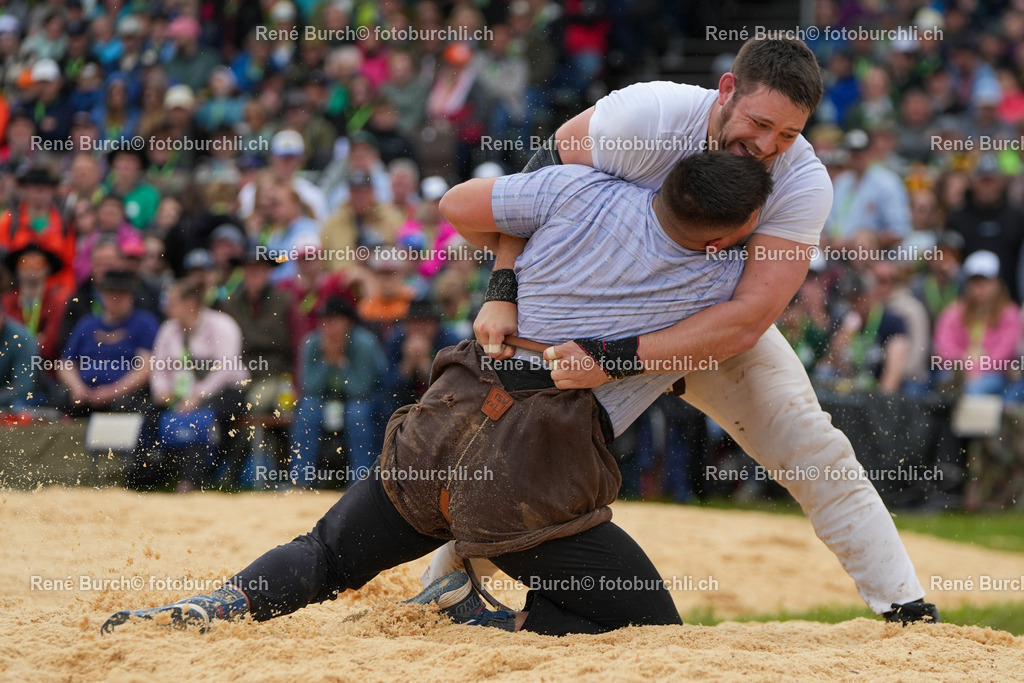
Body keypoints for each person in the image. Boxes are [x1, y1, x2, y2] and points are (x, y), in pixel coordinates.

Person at [101, 151, 772, 636]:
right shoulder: (716, 286)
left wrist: (504, 284)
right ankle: (507, 627)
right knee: (652, 625)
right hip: (525, 479)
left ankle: (222, 604)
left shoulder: (581, 190)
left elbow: (459, 205)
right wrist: (613, 356)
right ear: (722, 237)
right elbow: (734, 334)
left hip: (443, 423)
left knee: (327, 553)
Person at [450, 37, 938, 624]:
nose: (766, 147)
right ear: (726, 90)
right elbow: (525, 195)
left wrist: (618, 356)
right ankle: (447, 582)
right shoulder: (647, 115)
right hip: (602, 315)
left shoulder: (802, 181)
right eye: (759, 124)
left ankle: (908, 611)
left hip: (703, 331)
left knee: (814, 446)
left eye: (786, 135)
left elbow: (749, 319)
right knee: (516, 449)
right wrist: (503, 290)